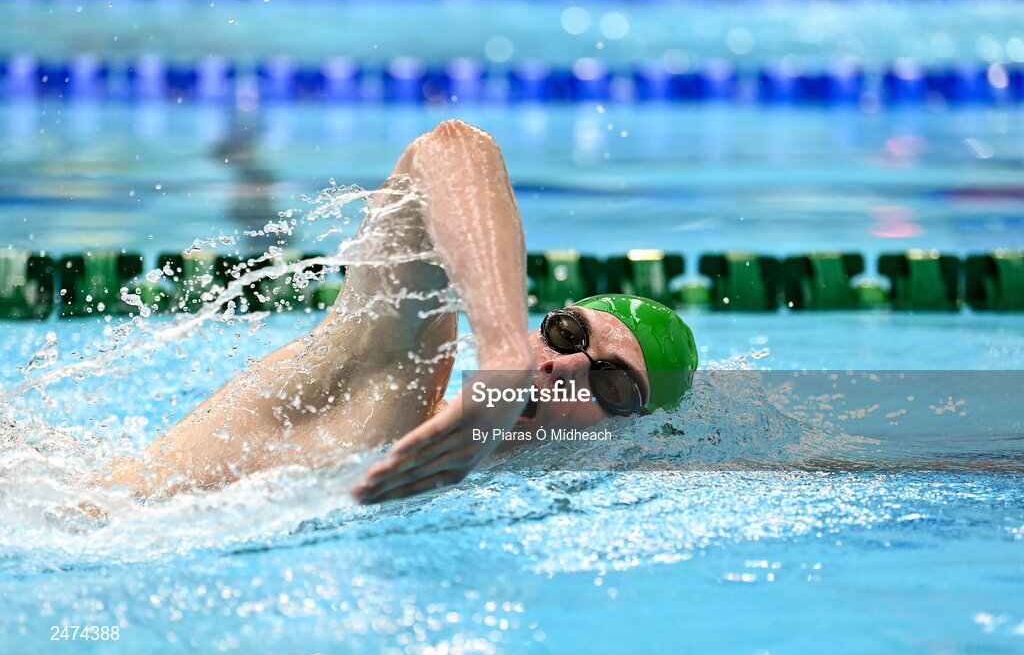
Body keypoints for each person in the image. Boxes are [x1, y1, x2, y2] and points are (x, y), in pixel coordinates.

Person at [99, 120, 698, 505]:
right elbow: (453, 150)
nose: (563, 369)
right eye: (567, 334)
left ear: (625, 436)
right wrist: (503, 357)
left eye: (613, 384)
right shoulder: (399, 376)